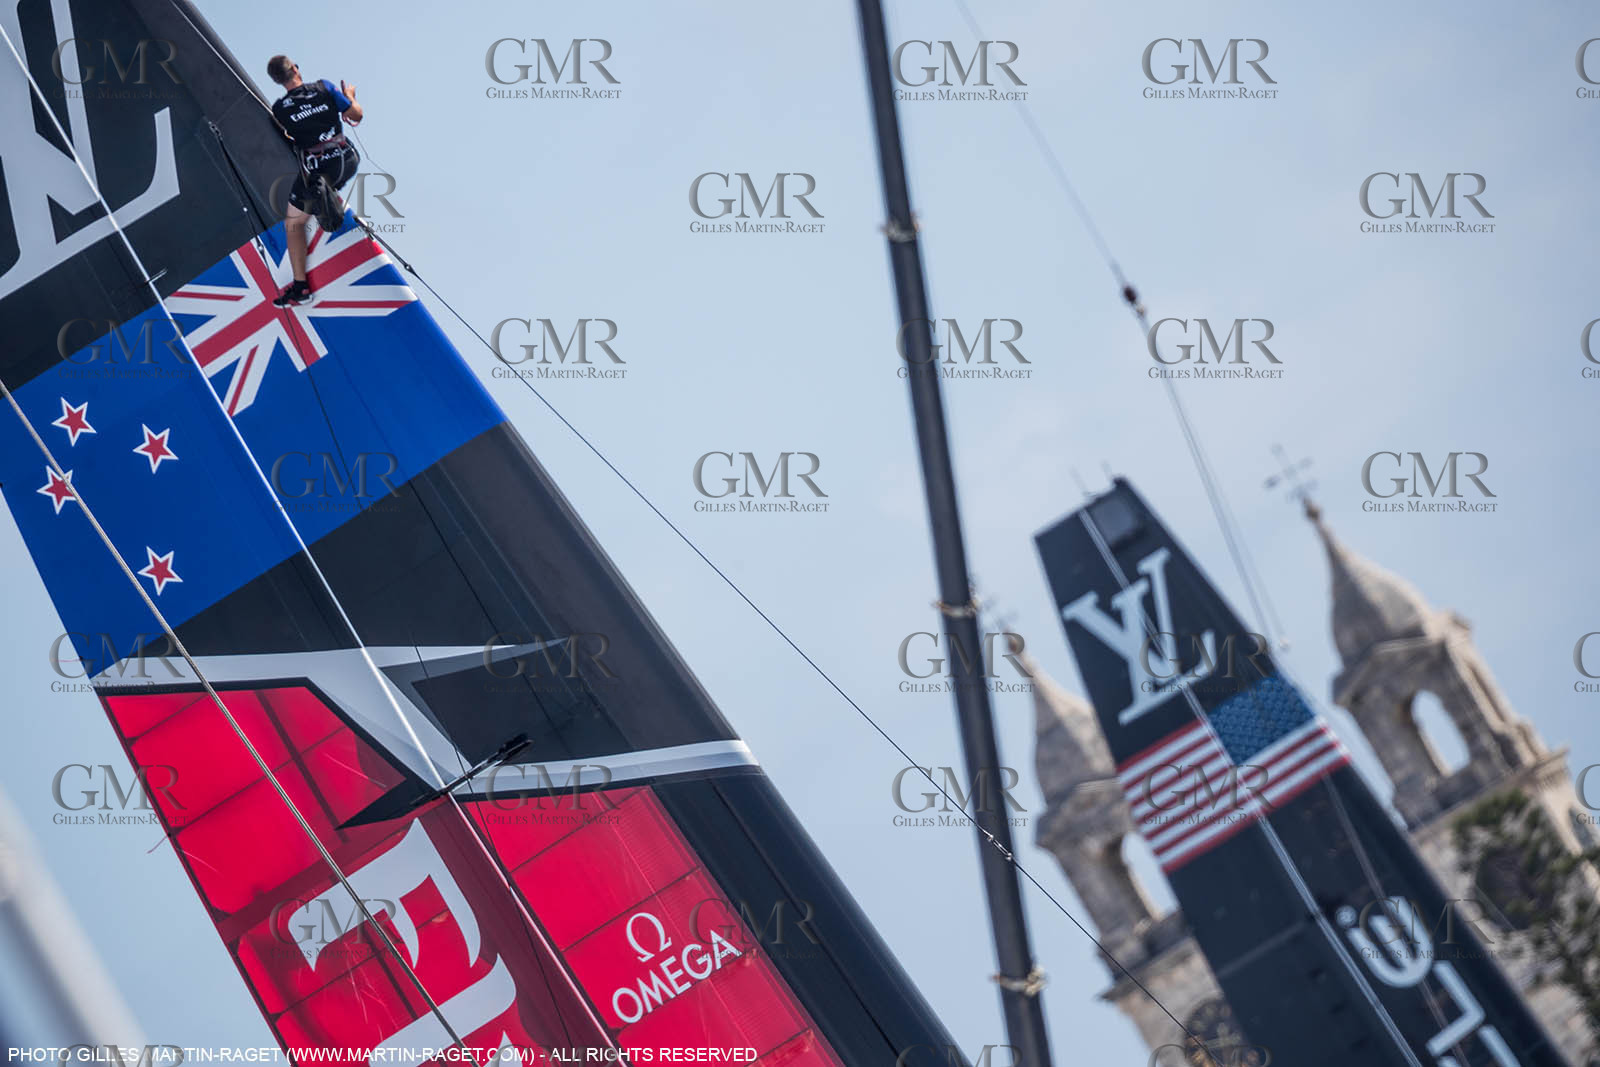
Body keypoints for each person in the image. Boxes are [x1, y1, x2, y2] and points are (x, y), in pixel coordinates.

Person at [266, 54, 364, 307]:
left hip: (320, 168)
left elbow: (286, 139)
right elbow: (356, 115)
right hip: (347, 159)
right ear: (296, 69)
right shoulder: (325, 87)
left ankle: (301, 288)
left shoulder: (278, 109)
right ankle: (326, 197)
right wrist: (350, 95)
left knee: (294, 223)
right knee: (321, 186)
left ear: (277, 81)